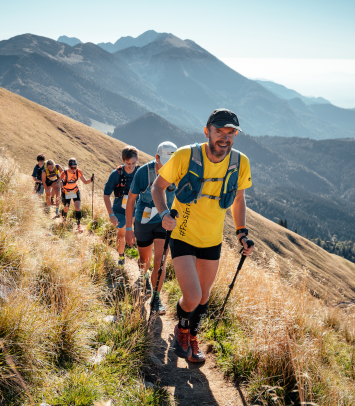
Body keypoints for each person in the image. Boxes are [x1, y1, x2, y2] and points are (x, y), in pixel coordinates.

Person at [151, 108, 254, 363]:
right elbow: (158, 186)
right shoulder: (187, 155)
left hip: (212, 239)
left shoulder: (240, 162)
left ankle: (191, 335)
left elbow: (239, 199)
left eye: (231, 133)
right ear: (207, 131)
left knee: (204, 296)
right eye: (219, 131)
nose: (225, 137)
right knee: (193, 296)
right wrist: (164, 212)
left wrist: (241, 233)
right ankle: (181, 330)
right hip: (183, 234)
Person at [125, 141, 178, 314]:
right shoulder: (143, 172)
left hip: (165, 220)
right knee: (145, 261)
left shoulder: (178, 172)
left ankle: (156, 297)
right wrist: (128, 228)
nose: (169, 166)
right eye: (165, 161)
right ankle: (144, 275)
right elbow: (132, 200)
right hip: (144, 220)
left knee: (160, 262)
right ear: (156, 157)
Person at [103, 146, 139, 266]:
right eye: (128, 163)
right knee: (122, 234)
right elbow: (106, 195)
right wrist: (111, 214)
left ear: (137, 160)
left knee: (140, 235)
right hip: (120, 210)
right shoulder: (116, 174)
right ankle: (121, 257)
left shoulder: (140, 172)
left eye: (134, 163)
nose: (131, 166)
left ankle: (142, 264)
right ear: (123, 160)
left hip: (136, 210)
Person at [59, 157, 94, 231]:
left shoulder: (78, 172)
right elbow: (60, 182)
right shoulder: (64, 173)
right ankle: (64, 221)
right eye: (72, 167)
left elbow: (85, 181)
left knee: (77, 207)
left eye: (75, 167)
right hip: (66, 192)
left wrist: (91, 180)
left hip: (75, 190)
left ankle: (79, 225)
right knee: (66, 208)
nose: (74, 169)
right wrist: (61, 183)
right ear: (69, 166)